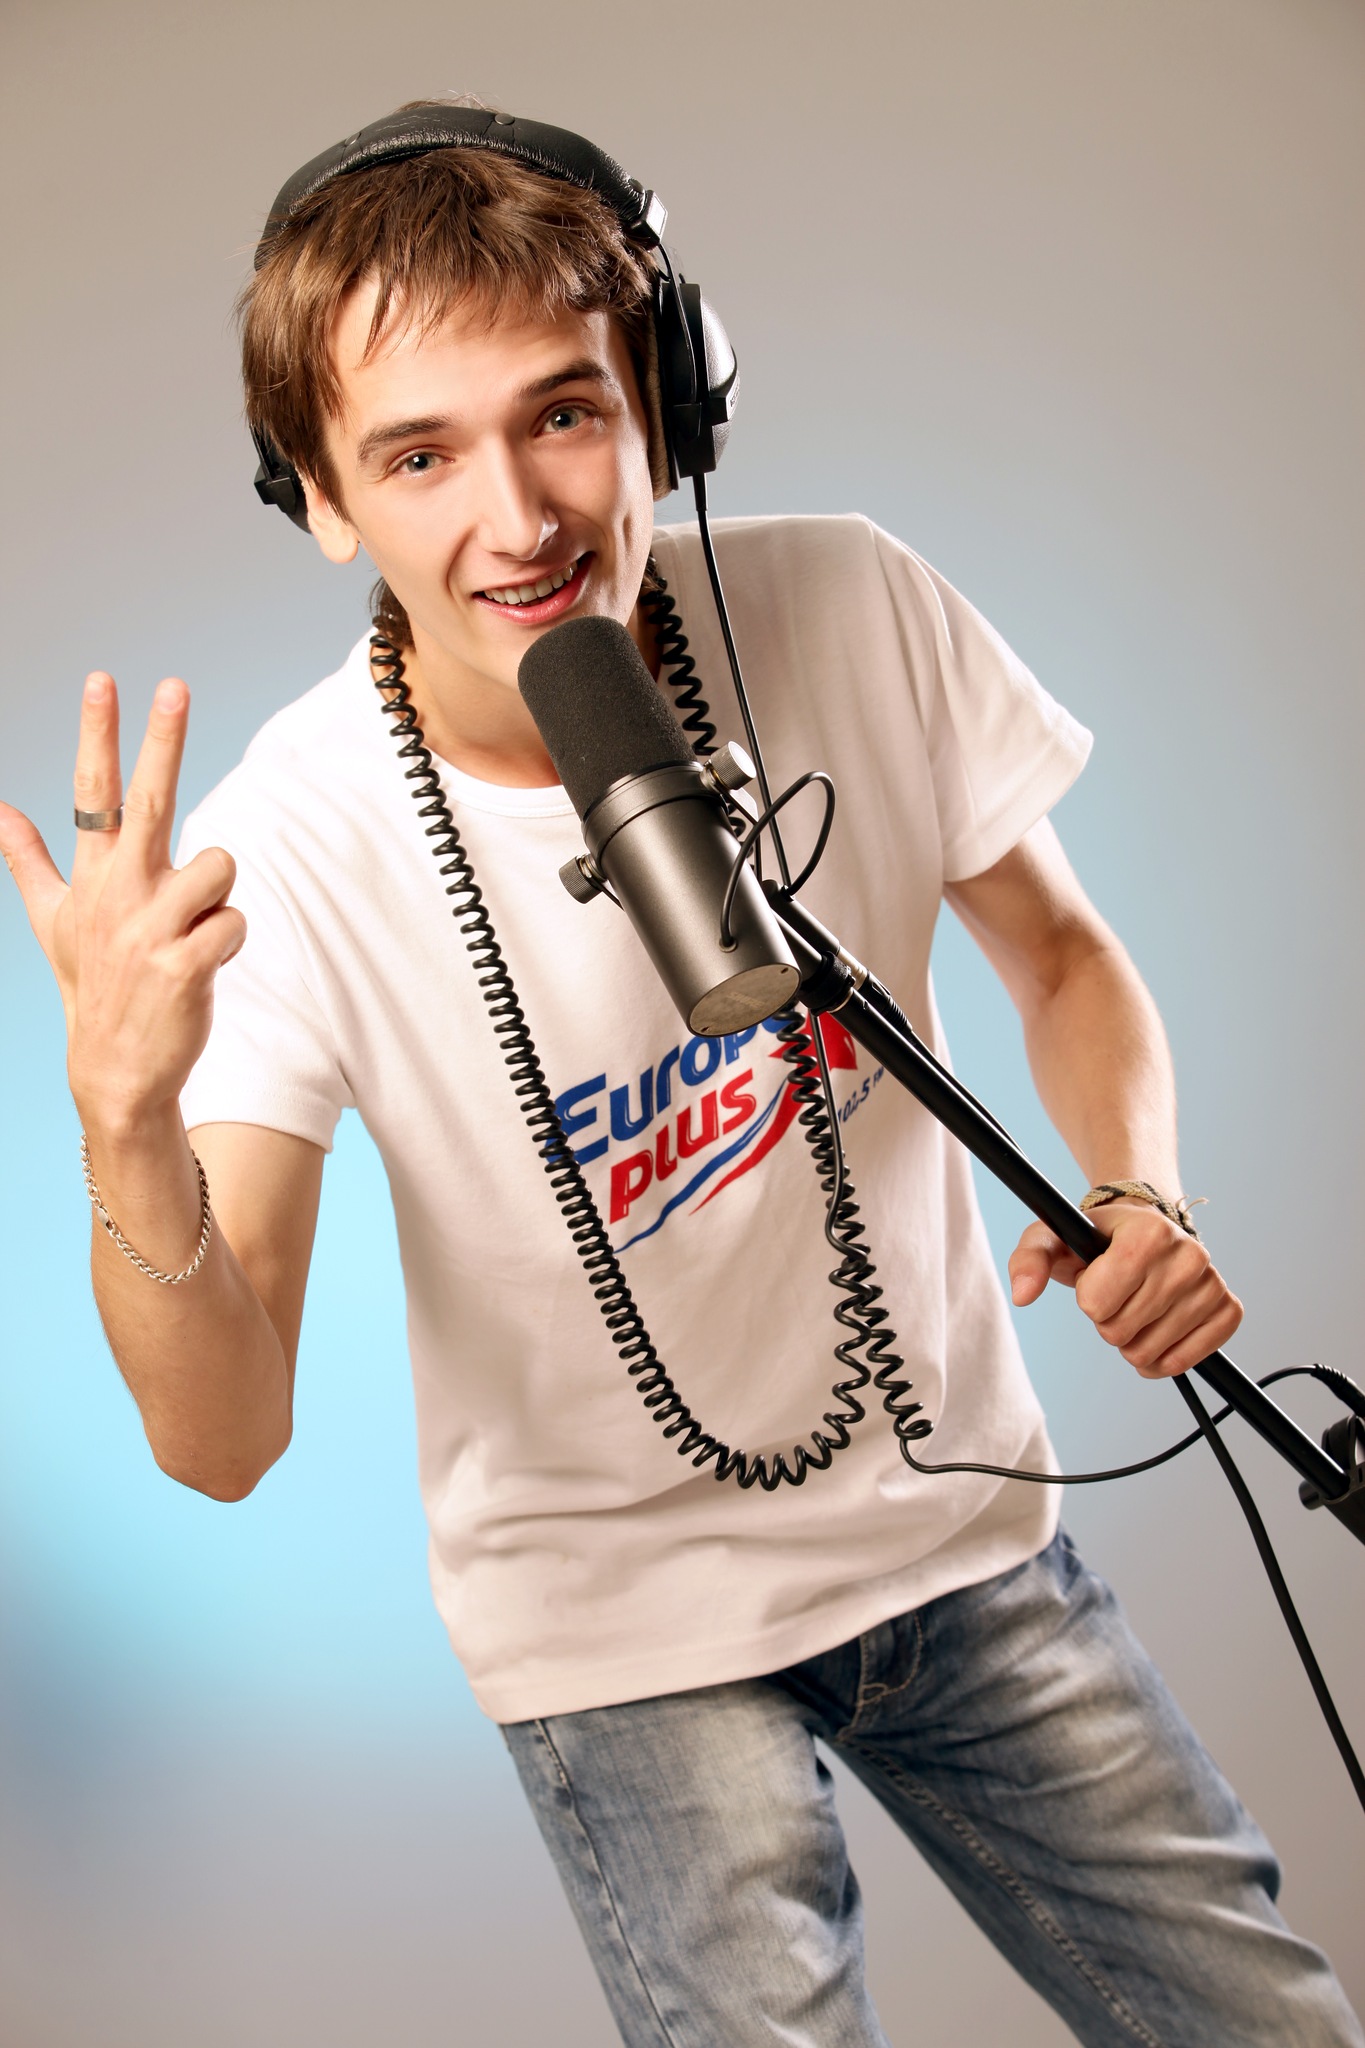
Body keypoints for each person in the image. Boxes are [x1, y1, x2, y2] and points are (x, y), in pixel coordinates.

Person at [1, 101, 1359, 2048]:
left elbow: (1063, 959)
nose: (517, 519)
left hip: (958, 1530)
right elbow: (220, 1443)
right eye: (417, 454)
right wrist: (123, 1119)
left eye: (560, 413)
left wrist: (1134, 1184)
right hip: (619, 1639)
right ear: (319, 499)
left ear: (666, 398)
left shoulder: (853, 604)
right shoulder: (277, 849)